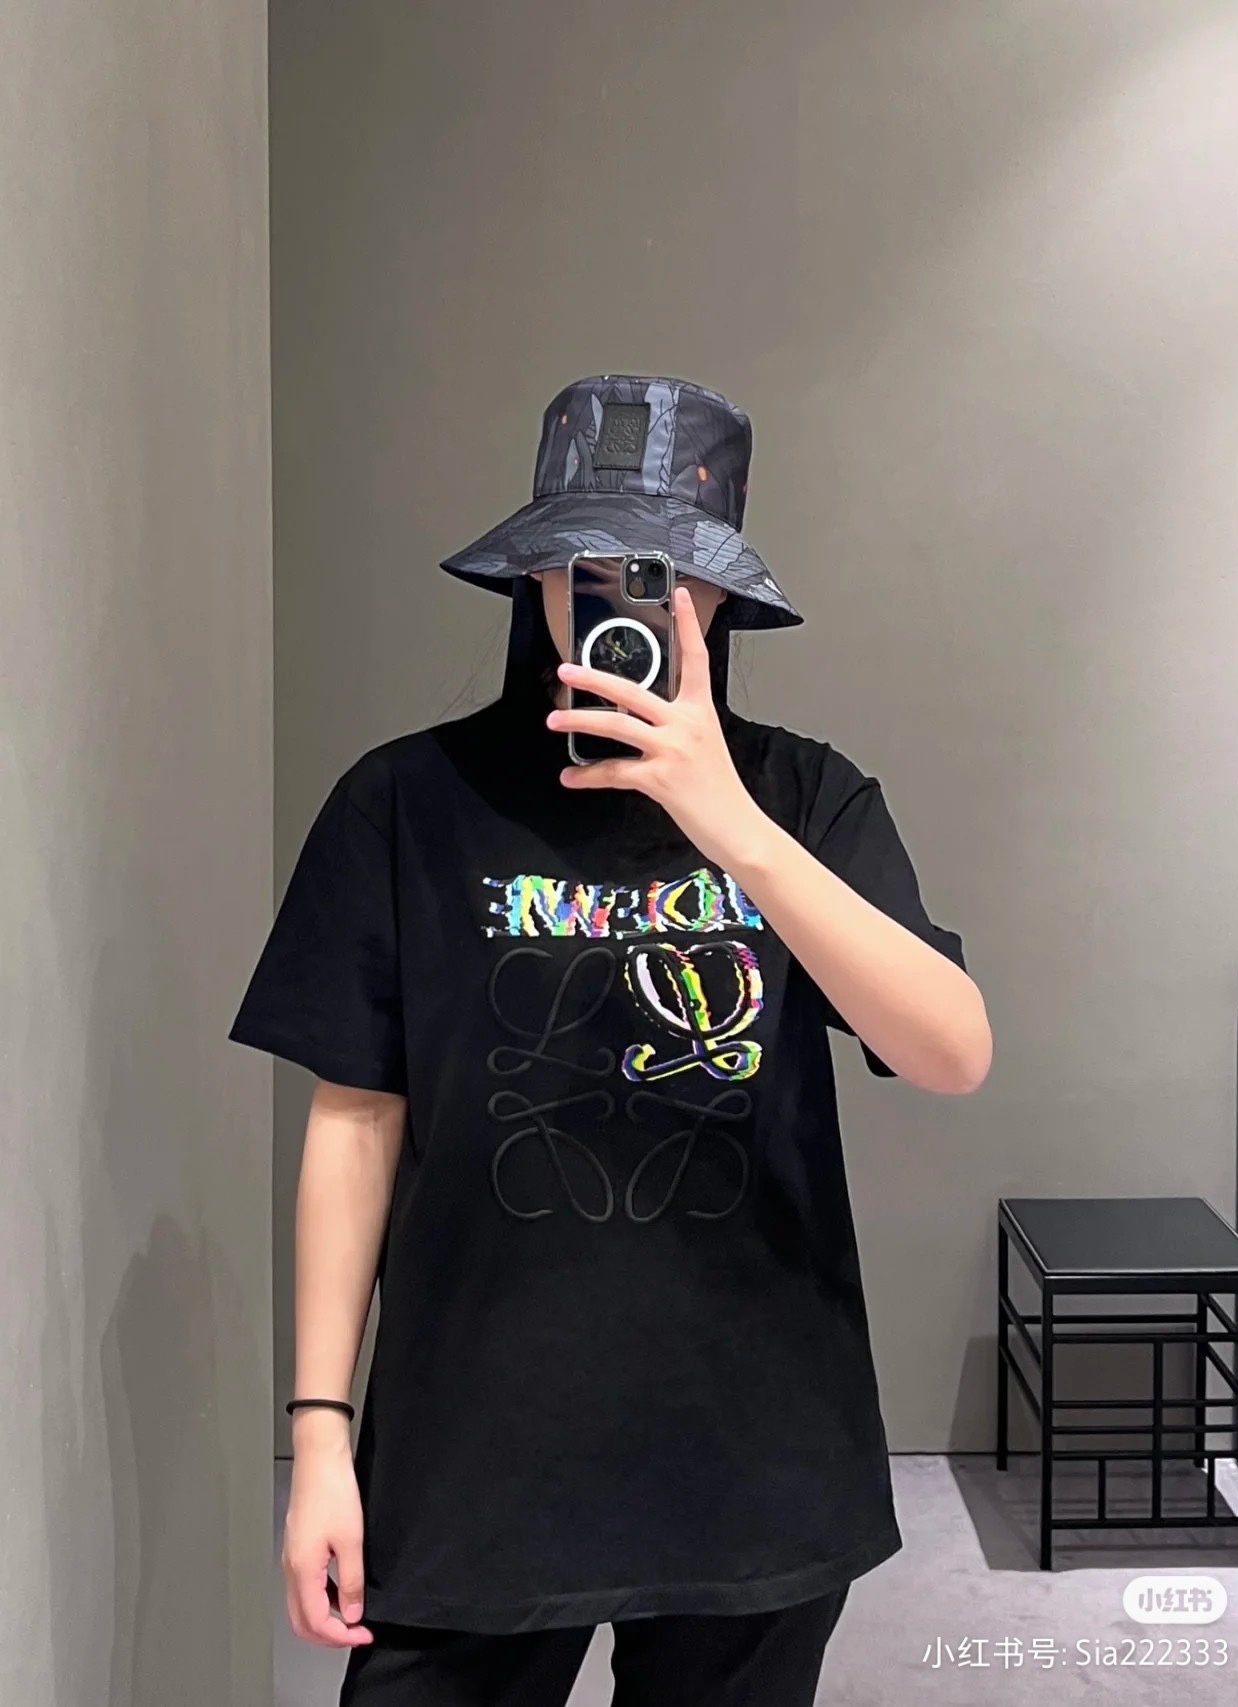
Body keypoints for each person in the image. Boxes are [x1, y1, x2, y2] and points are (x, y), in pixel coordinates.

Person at [229, 374, 992, 1707]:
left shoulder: (804, 796)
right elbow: (354, 1122)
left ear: (721, 600)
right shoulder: (404, 803)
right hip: (469, 1458)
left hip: (755, 1459)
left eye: (666, 574)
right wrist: (321, 1438)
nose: (627, 603)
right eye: (585, 569)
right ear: (534, 582)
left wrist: (731, 825)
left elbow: (951, 1051)